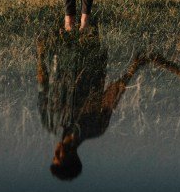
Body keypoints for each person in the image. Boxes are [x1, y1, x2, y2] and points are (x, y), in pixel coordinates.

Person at [36, 29, 146, 180]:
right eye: (59, 157)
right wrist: (134, 67)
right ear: (73, 158)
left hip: (61, 54)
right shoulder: (96, 128)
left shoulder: (49, 122)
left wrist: (41, 53)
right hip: (91, 59)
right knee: (88, 19)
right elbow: (113, 95)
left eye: (53, 156)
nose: (55, 152)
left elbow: (42, 85)